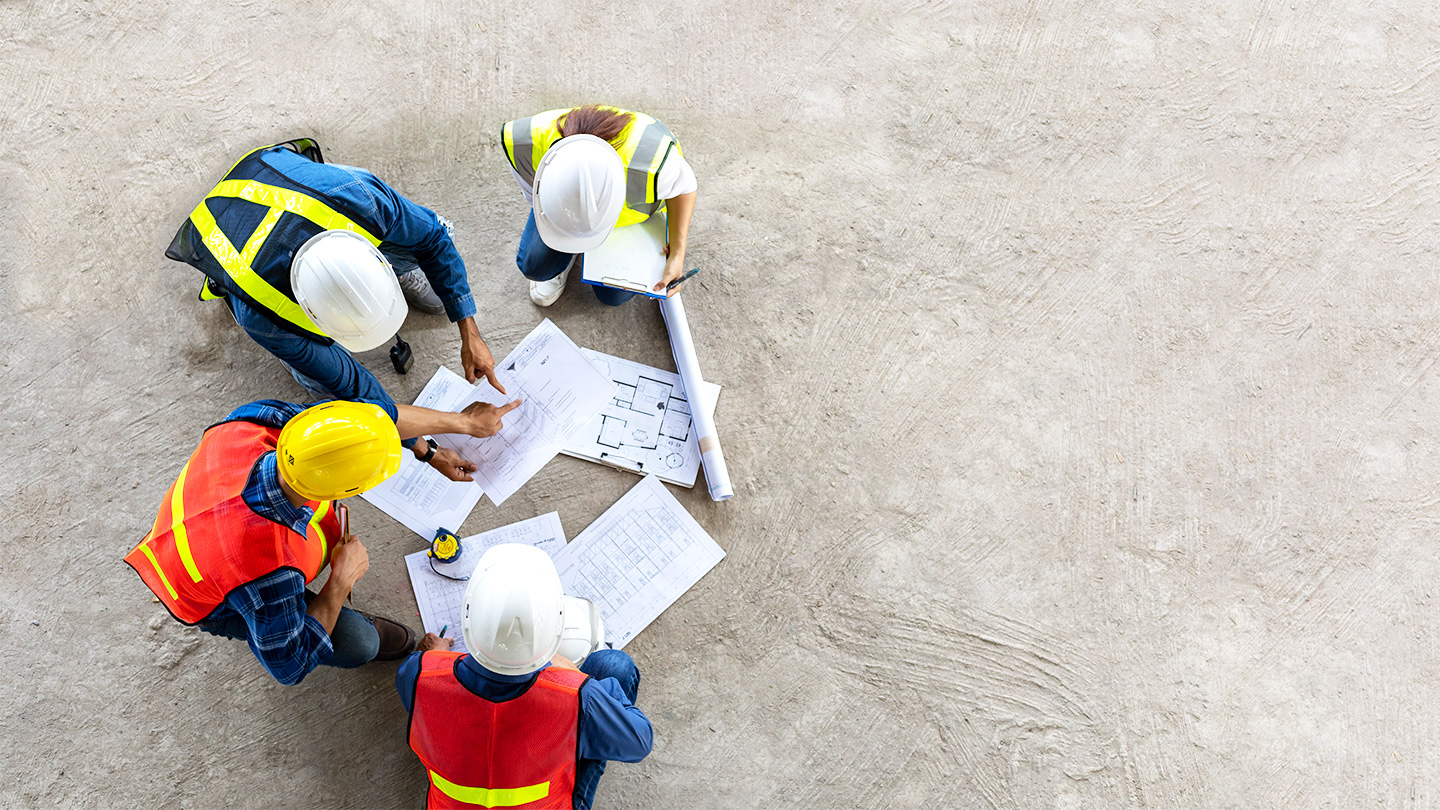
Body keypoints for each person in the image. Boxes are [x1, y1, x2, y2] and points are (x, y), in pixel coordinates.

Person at [165, 138, 515, 481]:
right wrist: (438, 444)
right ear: (314, 316)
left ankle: (399, 261)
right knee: (324, 382)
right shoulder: (268, 320)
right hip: (235, 228)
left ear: (371, 257)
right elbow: (368, 401)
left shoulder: (358, 198)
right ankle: (306, 368)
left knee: (422, 236)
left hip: (293, 192)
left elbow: (434, 240)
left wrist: (470, 331)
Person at [124, 398, 512, 685]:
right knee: (359, 642)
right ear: (345, 490)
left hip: (201, 524)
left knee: (319, 555)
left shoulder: (261, 423)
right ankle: (314, 619)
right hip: (203, 589)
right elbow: (288, 666)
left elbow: (362, 425)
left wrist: (428, 452)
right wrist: (340, 582)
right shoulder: (267, 570)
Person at [397, 545, 652, 809]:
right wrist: (574, 679)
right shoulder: (578, 698)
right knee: (614, 666)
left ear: (469, 617)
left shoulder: (418, 672)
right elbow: (639, 742)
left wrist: (435, 657)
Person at [501, 105, 698, 306]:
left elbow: (686, 187)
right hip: (566, 214)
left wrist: (677, 254)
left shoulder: (652, 165)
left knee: (613, 296)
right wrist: (566, 225)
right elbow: (533, 199)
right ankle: (565, 253)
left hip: (630, 222)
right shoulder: (524, 145)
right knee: (535, 266)